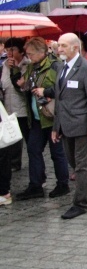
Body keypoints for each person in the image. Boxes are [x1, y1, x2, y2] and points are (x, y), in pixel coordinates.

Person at [47, 33, 87, 219]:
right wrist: (56, 127)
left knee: (81, 166)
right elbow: (60, 100)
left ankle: (80, 204)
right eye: (59, 45)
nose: (60, 49)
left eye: (64, 45)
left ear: (75, 47)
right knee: (74, 162)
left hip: (83, 125)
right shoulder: (62, 68)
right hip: (66, 125)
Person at [14, 38, 70, 201]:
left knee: (57, 152)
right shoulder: (31, 67)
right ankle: (36, 185)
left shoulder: (55, 65)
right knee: (33, 150)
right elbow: (23, 86)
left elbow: (63, 88)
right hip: (37, 117)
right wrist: (16, 75)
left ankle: (62, 184)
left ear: (41, 52)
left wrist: (46, 90)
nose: (29, 56)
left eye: (31, 53)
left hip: (52, 117)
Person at [1, 37, 30, 171]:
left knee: (26, 137)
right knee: (11, 136)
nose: (9, 53)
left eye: (12, 49)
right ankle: (13, 162)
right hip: (7, 106)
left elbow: (21, 88)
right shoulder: (4, 66)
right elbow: (4, 84)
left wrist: (15, 70)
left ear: (21, 51)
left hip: (23, 107)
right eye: (7, 50)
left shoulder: (27, 64)